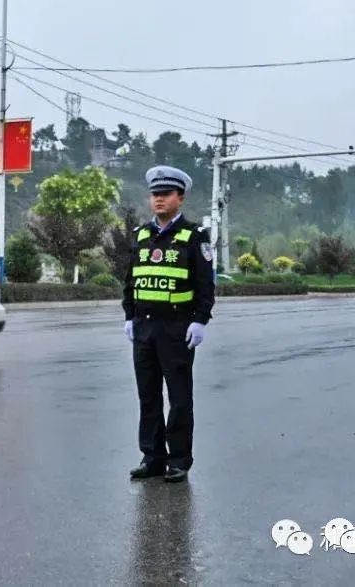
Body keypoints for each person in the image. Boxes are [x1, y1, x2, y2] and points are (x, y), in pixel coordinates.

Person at [123, 165, 216, 483]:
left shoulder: (193, 238)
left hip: (177, 329)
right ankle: (152, 457)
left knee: (178, 397)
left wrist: (199, 321)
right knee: (147, 396)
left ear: (180, 198)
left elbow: (206, 286)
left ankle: (178, 459)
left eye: (166, 194)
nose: (159, 200)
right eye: (155, 194)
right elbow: (130, 280)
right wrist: (128, 316)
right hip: (144, 329)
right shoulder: (141, 236)